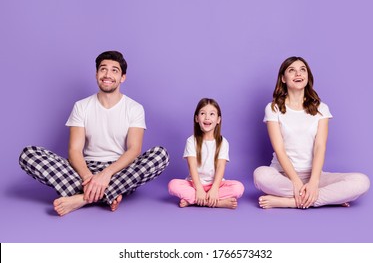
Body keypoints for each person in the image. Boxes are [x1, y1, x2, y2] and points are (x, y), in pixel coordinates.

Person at [19, 50, 170, 216]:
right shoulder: (81, 106)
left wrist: (105, 175)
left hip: (119, 169)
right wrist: (88, 178)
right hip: (85, 168)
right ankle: (108, 194)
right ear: (96, 74)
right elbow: (74, 150)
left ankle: (82, 199)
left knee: (160, 155)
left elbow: (134, 149)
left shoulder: (134, 108)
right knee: (28, 154)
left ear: (122, 77)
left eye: (115, 70)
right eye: (103, 69)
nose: (108, 74)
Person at [253, 56, 370, 209]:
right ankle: (326, 197)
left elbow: (320, 147)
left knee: (362, 181)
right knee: (260, 175)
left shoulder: (321, 108)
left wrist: (314, 182)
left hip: (315, 175)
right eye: (292, 70)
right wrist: (295, 181)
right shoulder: (273, 108)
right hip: (283, 175)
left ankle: (292, 202)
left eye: (303, 70)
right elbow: (279, 149)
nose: (298, 74)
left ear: (308, 77)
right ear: (283, 78)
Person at [168, 98, 244, 209]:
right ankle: (217, 203)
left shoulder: (223, 142)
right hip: (194, 184)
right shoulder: (191, 141)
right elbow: (192, 166)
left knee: (238, 188)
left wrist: (214, 189)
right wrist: (199, 188)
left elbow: (221, 167)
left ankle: (193, 201)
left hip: (216, 185)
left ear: (218, 120)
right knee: (172, 185)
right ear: (196, 118)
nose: (207, 117)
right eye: (203, 113)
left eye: (212, 114)